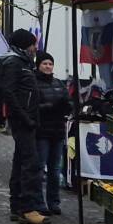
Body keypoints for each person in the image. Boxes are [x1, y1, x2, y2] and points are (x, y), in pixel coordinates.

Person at [0, 29, 49, 224]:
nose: (35, 48)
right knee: (30, 165)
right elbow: (10, 93)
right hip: (23, 120)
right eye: (32, 44)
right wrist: (25, 117)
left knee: (20, 163)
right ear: (24, 45)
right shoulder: (15, 63)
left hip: (27, 119)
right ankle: (27, 208)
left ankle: (17, 206)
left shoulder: (22, 62)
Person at [34, 52, 72, 215]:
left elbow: (68, 103)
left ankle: (54, 202)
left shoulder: (59, 84)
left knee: (55, 170)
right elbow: (33, 106)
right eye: (45, 64)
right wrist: (49, 107)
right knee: (40, 168)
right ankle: (39, 202)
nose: (48, 66)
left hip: (57, 131)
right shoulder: (34, 83)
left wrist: (66, 106)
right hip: (42, 131)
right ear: (39, 66)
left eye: (50, 64)